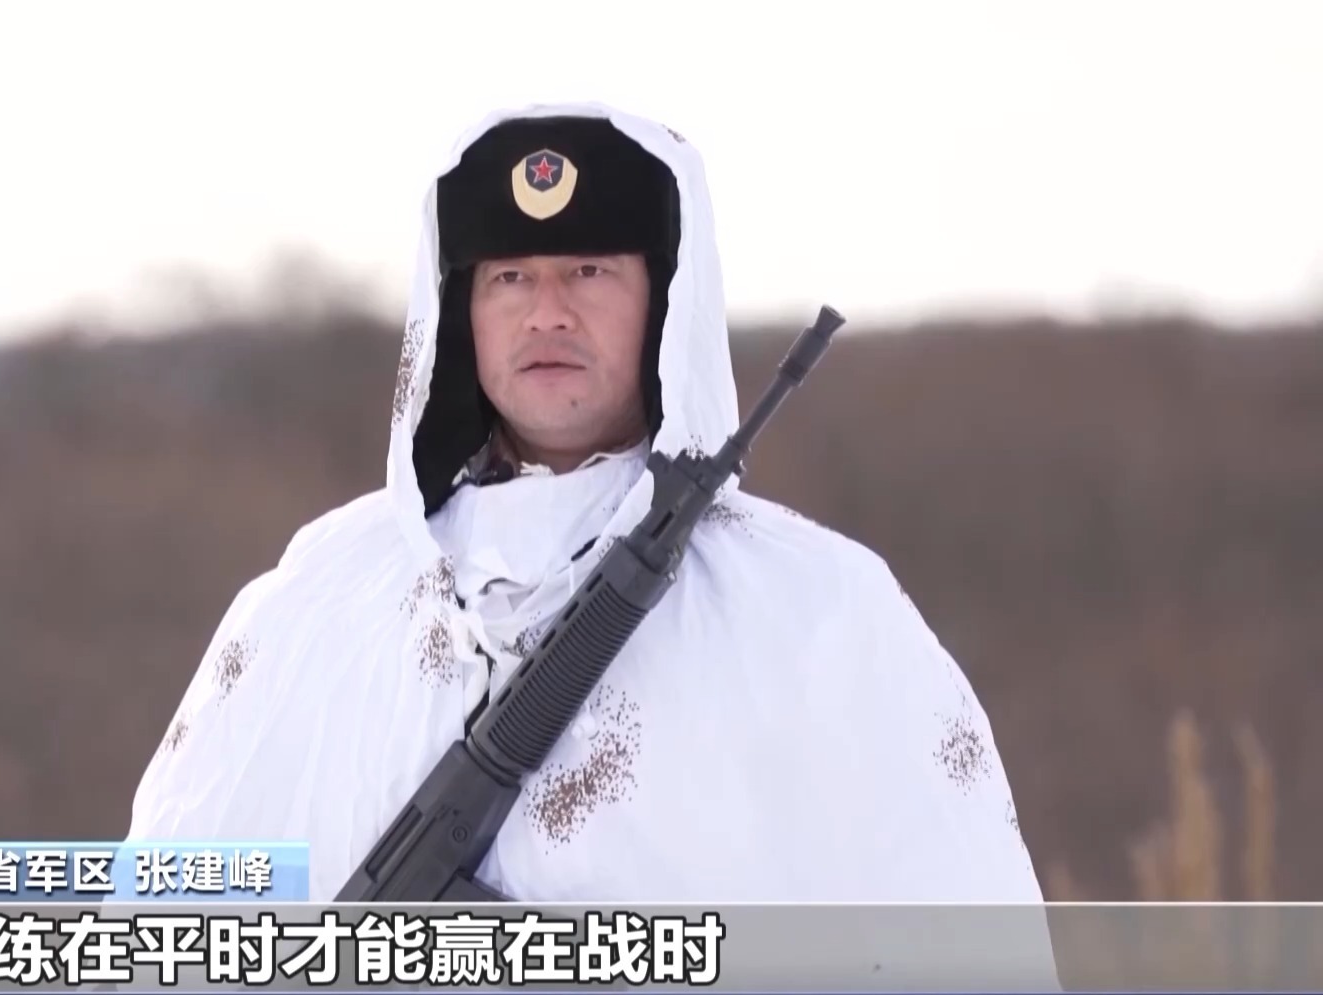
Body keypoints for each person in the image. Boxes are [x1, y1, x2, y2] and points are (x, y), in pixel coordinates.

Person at [125, 103, 1046, 910]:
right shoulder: (320, 599)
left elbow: (958, 930)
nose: (548, 312)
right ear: (461, 314)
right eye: (510, 277)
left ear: (665, 306)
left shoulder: (819, 612)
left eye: (591, 271)